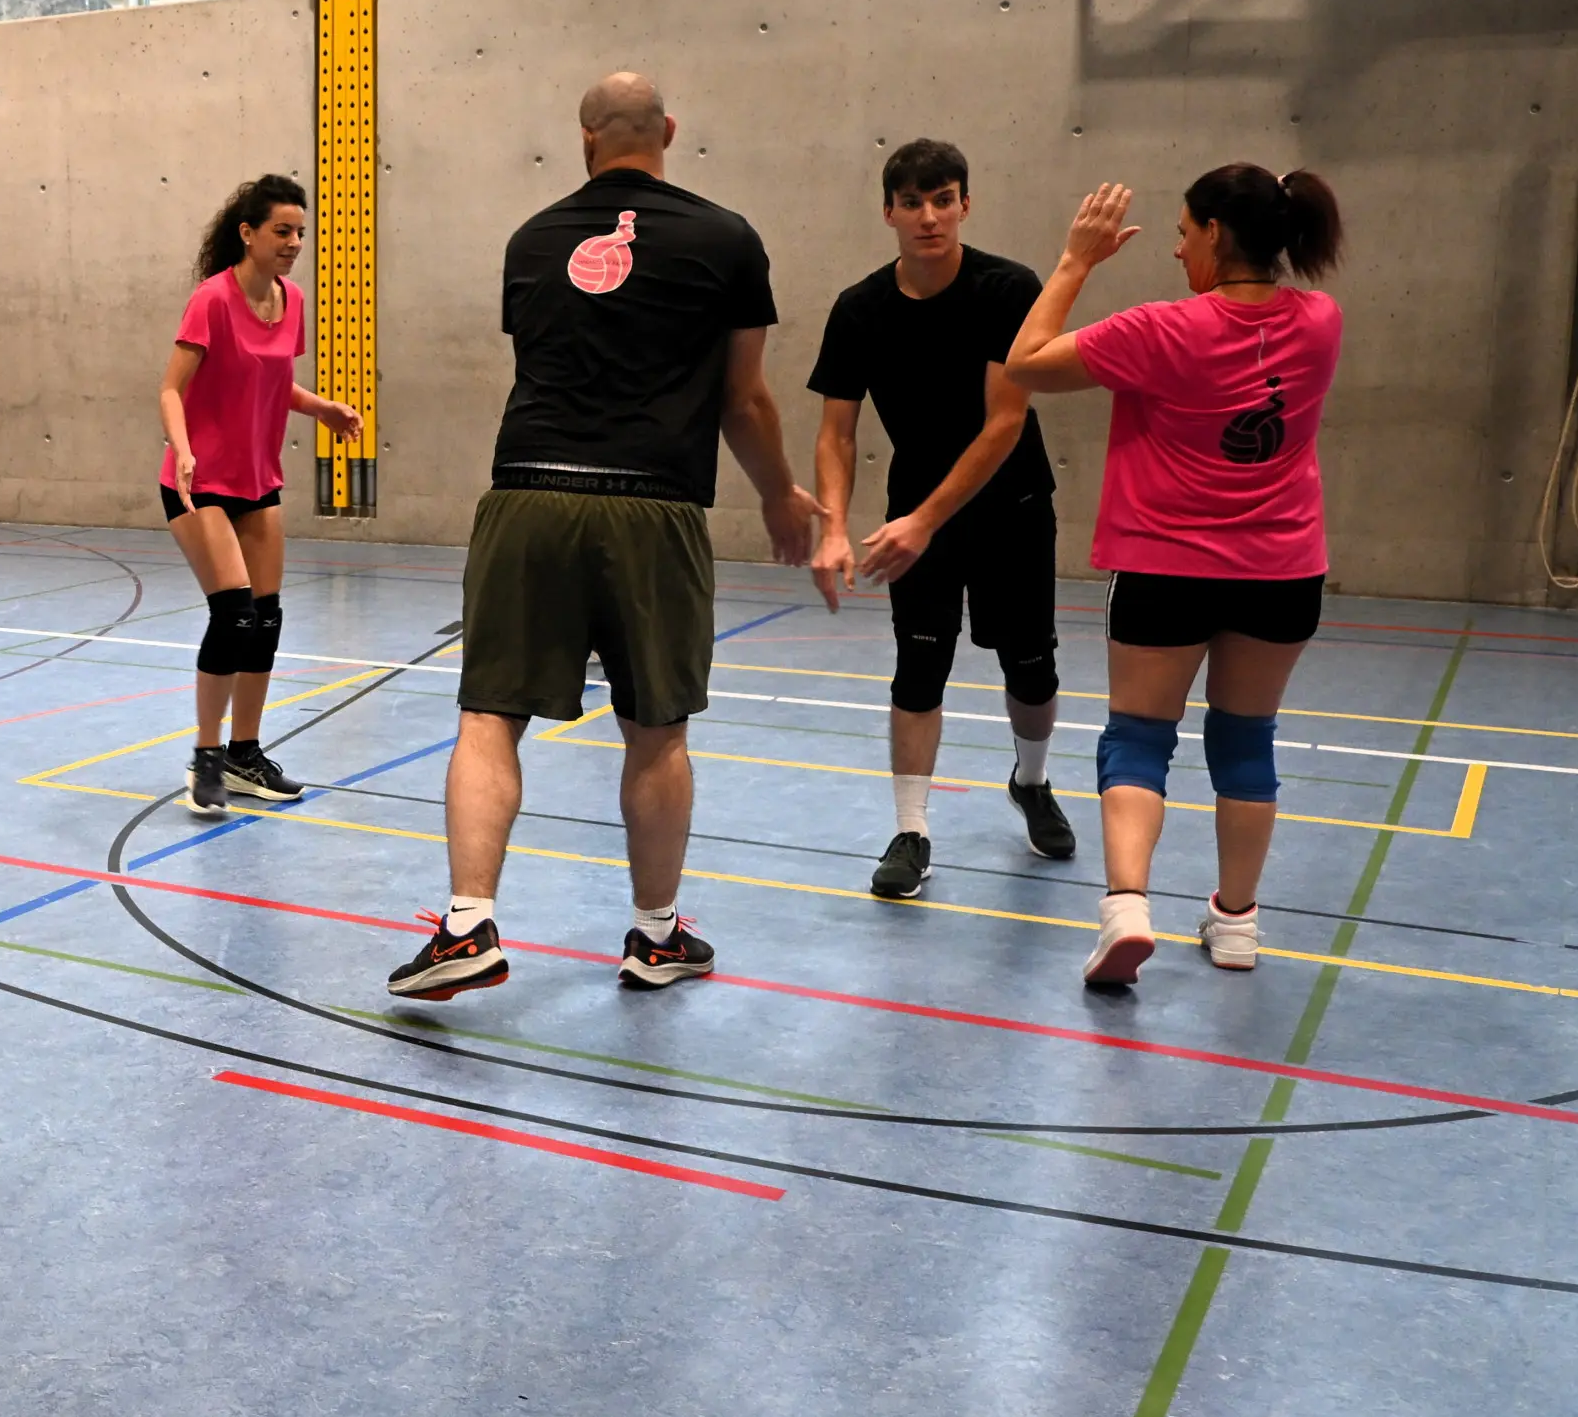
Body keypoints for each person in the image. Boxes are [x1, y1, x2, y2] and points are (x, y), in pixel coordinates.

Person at [390, 72, 819, 1001]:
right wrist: (782, 495)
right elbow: (744, 398)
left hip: (528, 493)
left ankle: (467, 924)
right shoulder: (726, 238)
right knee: (657, 734)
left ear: (585, 137)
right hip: (653, 505)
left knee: (487, 716)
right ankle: (657, 936)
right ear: (668, 128)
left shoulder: (530, 240)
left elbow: (548, 362)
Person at [1003, 166, 1346, 987]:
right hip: (1282, 567)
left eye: (1186, 230)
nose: (1176, 245)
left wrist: (1076, 261)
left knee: (1139, 739)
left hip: (1166, 563)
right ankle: (1236, 923)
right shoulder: (1322, 319)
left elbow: (1026, 361)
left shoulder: (1161, 328)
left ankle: (1126, 910)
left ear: (1218, 234)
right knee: (1245, 742)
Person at [807, 139, 1075, 900]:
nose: (930, 217)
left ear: (966, 203)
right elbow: (835, 432)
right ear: (889, 211)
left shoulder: (1005, 289)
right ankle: (912, 830)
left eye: (944, 199)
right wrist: (834, 526)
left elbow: (1003, 424)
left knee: (1031, 668)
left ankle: (1032, 780)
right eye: (914, 203)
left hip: (1011, 509)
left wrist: (924, 519)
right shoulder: (860, 309)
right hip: (915, 520)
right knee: (919, 667)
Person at [156, 173, 362, 817]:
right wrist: (184, 446)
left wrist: (318, 406)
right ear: (248, 233)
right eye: (282, 231)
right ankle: (208, 758)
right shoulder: (212, 300)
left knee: (267, 621)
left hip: (257, 482)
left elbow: (270, 384)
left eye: (301, 232)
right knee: (234, 614)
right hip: (198, 482)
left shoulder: (291, 300)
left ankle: (246, 755)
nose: (295, 242)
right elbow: (171, 389)